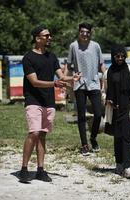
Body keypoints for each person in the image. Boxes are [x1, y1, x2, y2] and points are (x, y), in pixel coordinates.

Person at [19, 25, 80, 183]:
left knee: (43, 135)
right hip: (33, 100)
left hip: (48, 102)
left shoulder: (52, 57)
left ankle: (40, 169)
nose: (49, 38)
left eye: (50, 35)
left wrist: (72, 78)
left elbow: (60, 76)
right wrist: (54, 84)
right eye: (46, 36)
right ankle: (24, 169)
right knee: (34, 133)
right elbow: (34, 82)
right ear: (37, 38)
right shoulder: (28, 58)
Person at [66, 22, 107, 156]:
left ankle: (93, 138)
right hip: (79, 85)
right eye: (82, 32)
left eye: (87, 32)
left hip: (94, 83)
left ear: (90, 33)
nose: (85, 34)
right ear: (79, 32)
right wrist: (66, 80)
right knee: (81, 116)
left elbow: (101, 64)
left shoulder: (95, 46)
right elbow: (69, 65)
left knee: (98, 114)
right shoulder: (73, 46)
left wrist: (106, 79)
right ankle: (84, 144)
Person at [103, 44, 130, 179]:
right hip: (114, 110)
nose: (120, 58)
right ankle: (119, 163)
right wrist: (107, 100)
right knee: (117, 137)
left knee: (127, 137)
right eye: (117, 56)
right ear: (113, 57)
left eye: (122, 56)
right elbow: (104, 91)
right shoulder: (108, 72)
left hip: (128, 108)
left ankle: (127, 166)